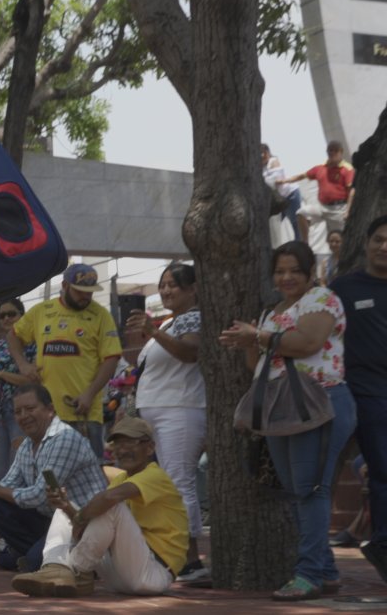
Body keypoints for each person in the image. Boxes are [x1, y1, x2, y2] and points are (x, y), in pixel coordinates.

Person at [220, 240, 357, 600]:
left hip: (320, 401)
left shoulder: (323, 299)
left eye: (295, 270)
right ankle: (324, 572)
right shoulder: (273, 309)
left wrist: (259, 335)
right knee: (299, 492)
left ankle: (308, 574)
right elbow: (258, 365)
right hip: (281, 406)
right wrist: (249, 342)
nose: (287, 277)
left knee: (312, 490)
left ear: (310, 272)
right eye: (280, 271)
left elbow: (307, 343)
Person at [12, 417, 188, 598]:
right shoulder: (122, 479)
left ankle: (76, 570)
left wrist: (80, 517)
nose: (122, 450)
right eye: (118, 444)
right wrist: (67, 508)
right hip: (122, 573)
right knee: (65, 507)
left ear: (150, 447)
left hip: (154, 574)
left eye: (130, 443)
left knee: (108, 504)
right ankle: (55, 567)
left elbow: (107, 501)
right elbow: (95, 526)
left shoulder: (155, 475)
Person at [0, 384, 106, 572]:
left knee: (30, 560)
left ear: (50, 410)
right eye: (18, 411)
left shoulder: (64, 438)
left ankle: (40, 559)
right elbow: (7, 485)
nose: (23, 416)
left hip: (79, 523)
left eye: (30, 409)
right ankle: (37, 558)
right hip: (50, 520)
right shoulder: (27, 445)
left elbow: (38, 496)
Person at [124, 263, 207, 580]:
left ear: (192, 289)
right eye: (163, 285)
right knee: (163, 484)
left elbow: (190, 353)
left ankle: (190, 558)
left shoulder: (193, 318)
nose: (166, 290)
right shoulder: (172, 322)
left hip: (180, 408)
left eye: (174, 285)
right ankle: (172, 552)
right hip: (156, 411)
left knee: (177, 482)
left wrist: (153, 331)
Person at [8, 264, 122, 457]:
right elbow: (13, 335)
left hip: (84, 412)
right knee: (47, 475)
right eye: (80, 291)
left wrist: (89, 393)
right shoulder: (42, 311)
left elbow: (111, 359)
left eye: (90, 292)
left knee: (88, 475)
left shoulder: (101, 315)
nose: (85, 297)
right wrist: (23, 364)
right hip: (46, 415)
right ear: (65, 285)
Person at [329, 215, 387, 583]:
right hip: (361, 395)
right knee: (381, 472)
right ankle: (382, 542)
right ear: (366, 243)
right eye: (379, 239)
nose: (384, 247)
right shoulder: (343, 288)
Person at [0, 298, 35, 480]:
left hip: (22, 412)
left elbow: (33, 381)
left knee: (20, 466)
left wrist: (0, 374)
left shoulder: (33, 343)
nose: (6, 318)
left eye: (11, 314)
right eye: (2, 315)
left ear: (22, 315)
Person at [284, 140, 356, 233]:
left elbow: (352, 191)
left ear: (341, 152)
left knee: (339, 237)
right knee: (301, 213)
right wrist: (284, 181)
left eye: (335, 150)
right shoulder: (320, 168)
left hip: (338, 209)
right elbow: (302, 176)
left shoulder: (347, 169)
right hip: (322, 207)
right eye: (330, 150)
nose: (332, 153)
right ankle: (305, 244)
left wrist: (348, 211)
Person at [262, 143, 302, 241]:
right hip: (278, 200)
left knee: (295, 223)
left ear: (266, 153)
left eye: (262, 153)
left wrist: (264, 180)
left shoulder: (273, 161)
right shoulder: (261, 168)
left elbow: (275, 180)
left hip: (289, 195)